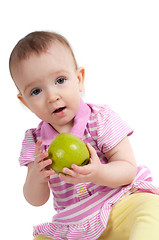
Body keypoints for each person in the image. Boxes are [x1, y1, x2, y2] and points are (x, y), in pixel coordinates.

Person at [9, 31, 159, 240]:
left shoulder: (100, 119)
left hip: (119, 205)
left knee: (151, 208)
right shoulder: (36, 142)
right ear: (25, 102)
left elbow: (128, 169)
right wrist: (37, 177)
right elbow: (35, 199)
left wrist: (99, 173)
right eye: (36, 91)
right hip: (74, 226)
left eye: (60, 80)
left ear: (79, 79)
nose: (53, 96)